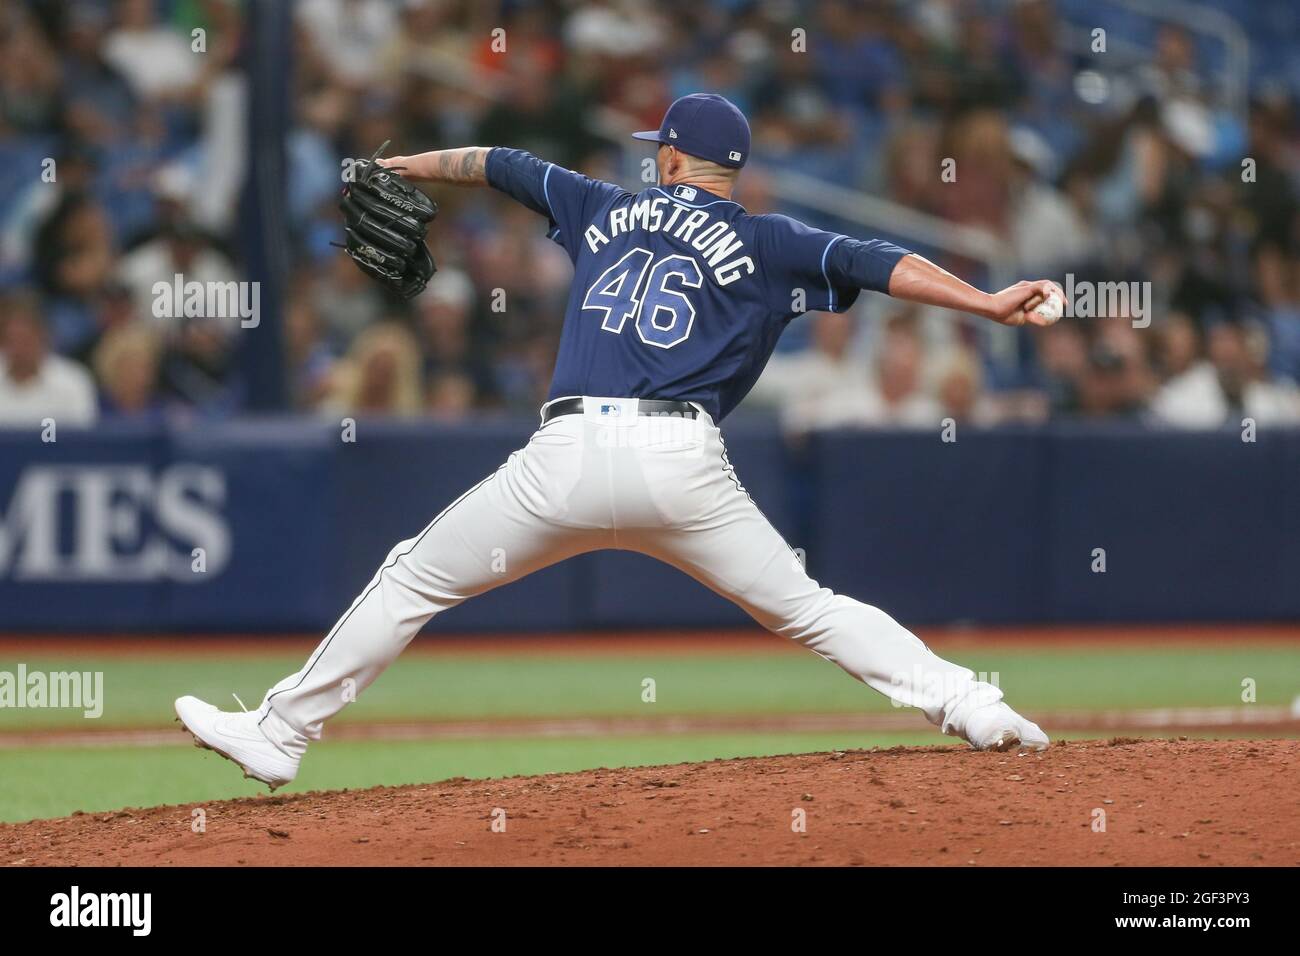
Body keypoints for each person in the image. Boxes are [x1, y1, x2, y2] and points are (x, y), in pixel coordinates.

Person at [176, 94, 1064, 788]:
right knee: (810, 610)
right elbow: (881, 262)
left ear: (672, 157)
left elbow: (496, 162)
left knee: (412, 575)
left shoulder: (598, 201)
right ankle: (976, 709)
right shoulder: (770, 238)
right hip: (683, 467)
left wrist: (397, 162)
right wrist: (985, 304)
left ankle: (282, 733)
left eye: (659, 146)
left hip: (562, 461)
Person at [0, 293, 97, 428]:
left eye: (25, 340)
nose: (19, 348)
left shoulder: (73, 381)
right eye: (12, 340)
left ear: (43, 338)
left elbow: (83, 441)